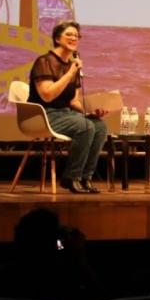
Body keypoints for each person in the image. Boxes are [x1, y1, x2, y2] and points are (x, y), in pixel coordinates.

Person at [28, 21, 108, 194]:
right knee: (84, 127)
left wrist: (91, 112)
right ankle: (71, 177)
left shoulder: (72, 65)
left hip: (66, 114)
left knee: (100, 126)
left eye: (76, 36)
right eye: (69, 35)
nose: (74, 38)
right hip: (44, 115)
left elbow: (73, 101)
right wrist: (71, 73)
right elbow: (47, 95)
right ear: (57, 38)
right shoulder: (44, 61)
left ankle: (85, 178)